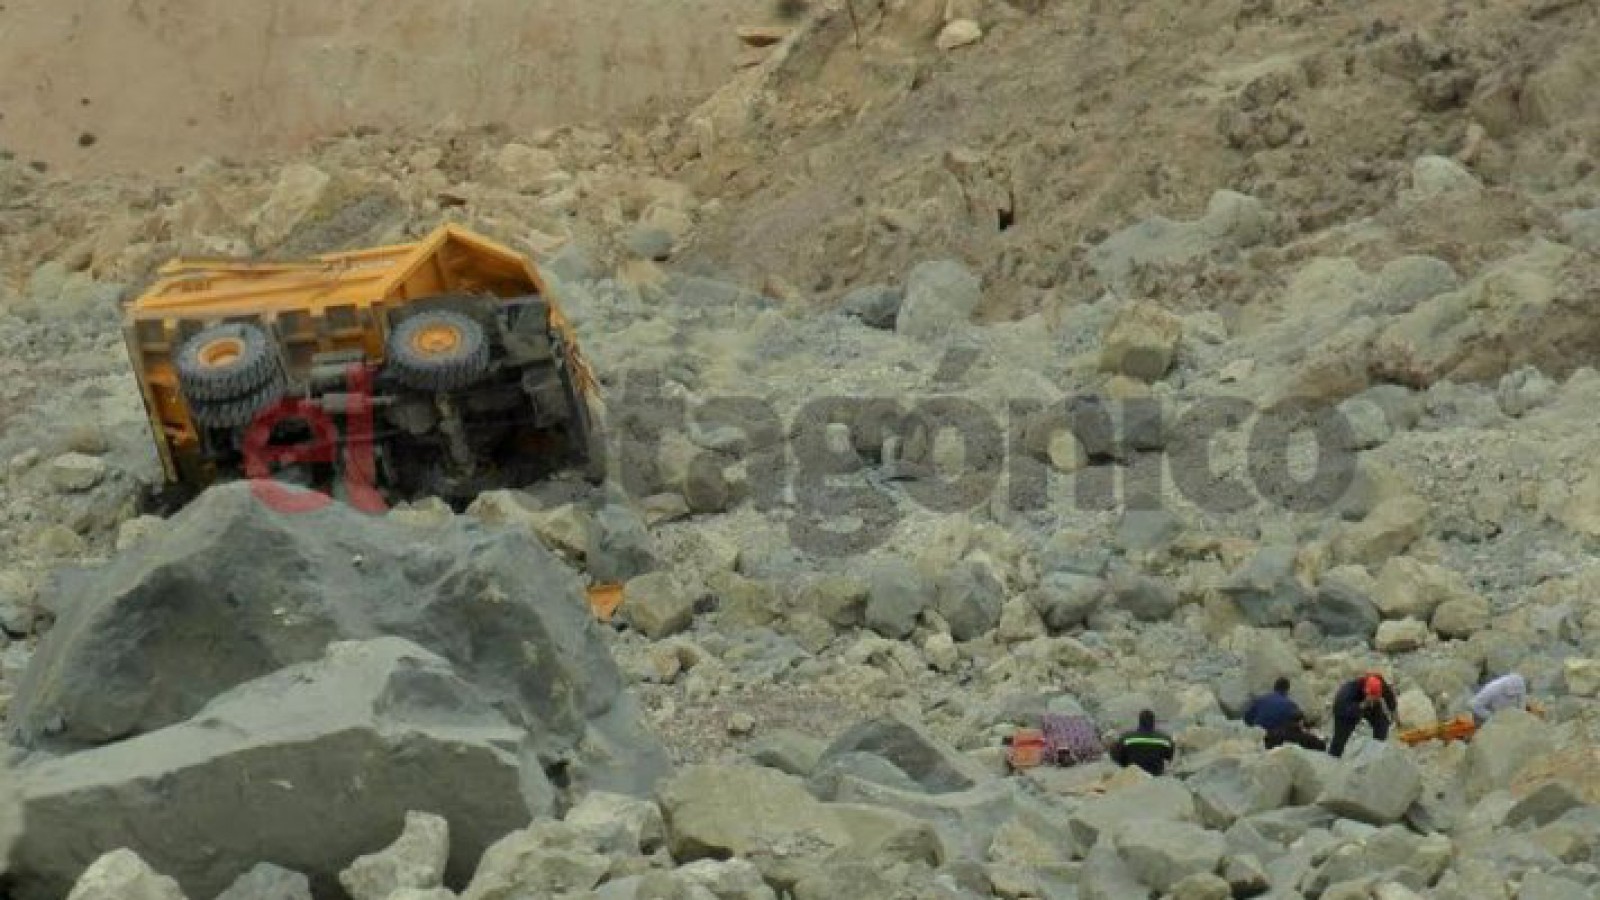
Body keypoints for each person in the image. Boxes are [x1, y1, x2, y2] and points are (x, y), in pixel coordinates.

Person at [1328, 672, 1398, 758]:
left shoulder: (1378, 682)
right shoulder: (1346, 694)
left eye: (1376, 697)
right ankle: (1332, 758)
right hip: (1347, 711)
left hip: (1366, 703)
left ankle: (1375, 751)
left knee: (1382, 723)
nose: (1374, 700)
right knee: (1339, 740)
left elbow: (1389, 696)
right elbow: (1342, 711)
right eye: (1373, 697)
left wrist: (1395, 715)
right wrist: (1363, 705)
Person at [1108, 710, 1175, 776]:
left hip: (1133, 774)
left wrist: (1124, 765)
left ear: (1139, 721)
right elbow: (1170, 757)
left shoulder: (1127, 738)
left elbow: (1117, 754)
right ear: (1153, 722)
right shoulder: (1165, 739)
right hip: (1155, 774)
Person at [1244, 677, 1302, 744]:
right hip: (1275, 737)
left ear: (1274, 687)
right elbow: (1300, 718)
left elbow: (1247, 719)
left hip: (1257, 734)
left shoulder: (1261, 699)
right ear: (1287, 690)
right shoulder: (1290, 704)